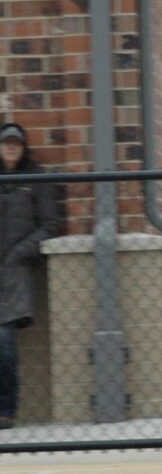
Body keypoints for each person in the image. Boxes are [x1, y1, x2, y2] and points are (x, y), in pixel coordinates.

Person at [0, 122, 58, 429]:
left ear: (23, 148)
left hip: (14, 274)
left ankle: (6, 410)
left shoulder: (35, 180)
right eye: (6, 143)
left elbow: (49, 224)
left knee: (4, 343)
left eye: (16, 144)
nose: (10, 148)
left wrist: (21, 252)